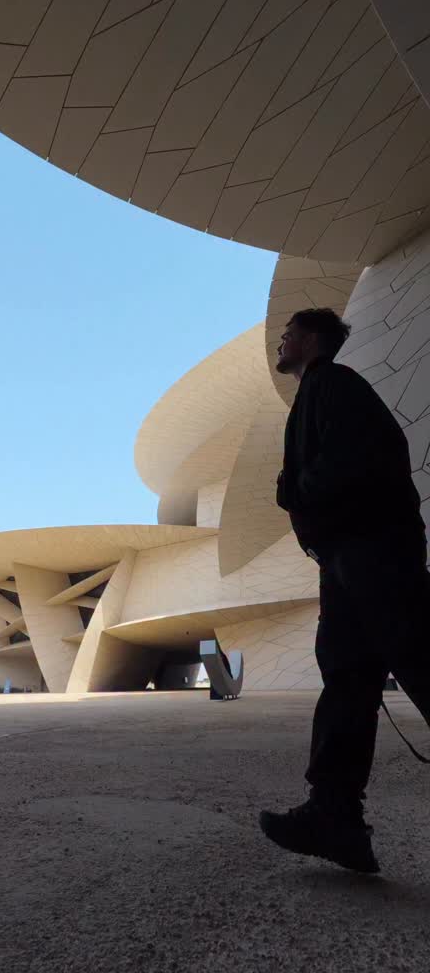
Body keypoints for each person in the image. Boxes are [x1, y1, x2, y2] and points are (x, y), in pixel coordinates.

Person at [259, 307, 430, 875]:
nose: (279, 343)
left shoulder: (335, 383)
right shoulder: (320, 391)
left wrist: (296, 490)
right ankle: (334, 816)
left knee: (418, 658)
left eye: (286, 334)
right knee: (347, 679)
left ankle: (333, 814)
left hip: (372, 550)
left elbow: (351, 462)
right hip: (346, 557)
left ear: (311, 338)